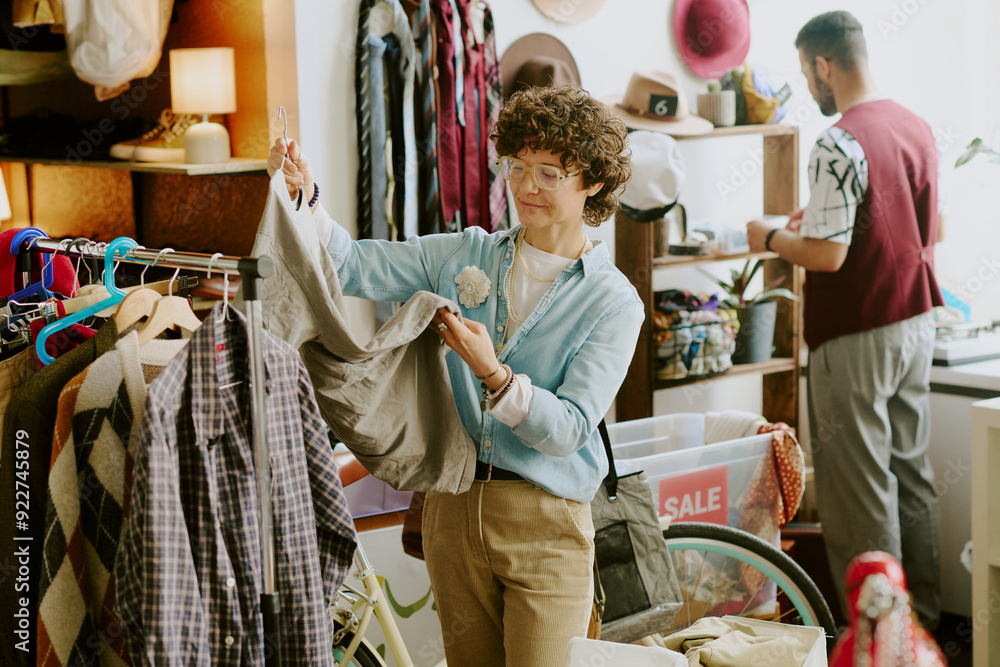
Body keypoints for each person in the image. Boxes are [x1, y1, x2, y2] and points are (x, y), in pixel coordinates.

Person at [268, 84, 642, 666]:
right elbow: (351, 265)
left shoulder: (614, 302)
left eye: (548, 172)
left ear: (591, 181)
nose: (525, 187)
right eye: (516, 167)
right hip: (452, 507)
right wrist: (305, 195)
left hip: (546, 522)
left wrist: (494, 376)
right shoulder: (468, 252)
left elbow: (568, 430)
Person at [747, 10, 944, 629]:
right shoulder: (915, 125)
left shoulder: (839, 139)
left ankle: (876, 634)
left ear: (823, 64)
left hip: (856, 333)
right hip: (915, 321)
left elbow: (828, 256)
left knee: (858, 489)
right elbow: (931, 228)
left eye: (808, 73)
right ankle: (925, 624)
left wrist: (771, 234)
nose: (810, 86)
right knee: (911, 474)